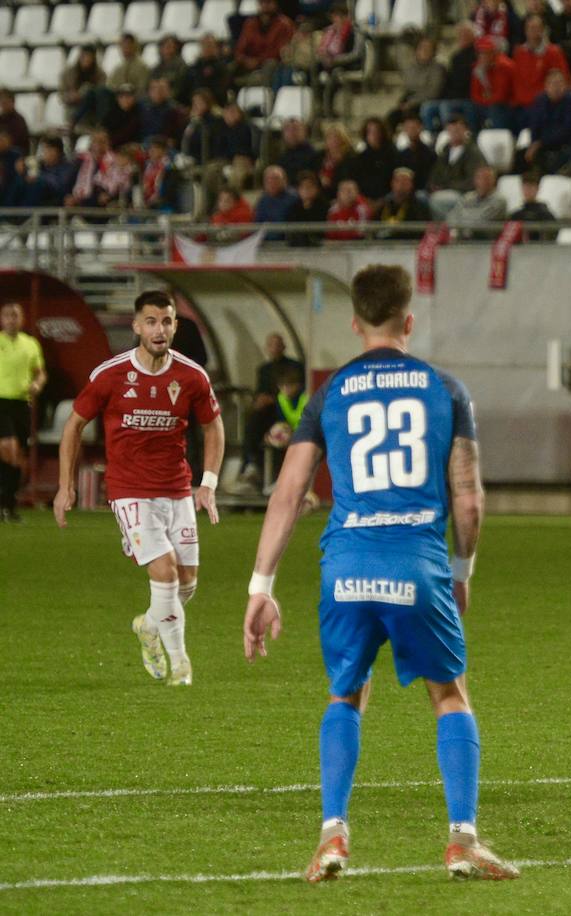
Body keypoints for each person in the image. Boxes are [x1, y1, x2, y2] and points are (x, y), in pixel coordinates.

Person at [241, 264, 520, 882]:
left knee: (346, 692)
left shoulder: (329, 393)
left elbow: (287, 493)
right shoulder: (445, 390)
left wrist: (261, 587)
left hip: (344, 568)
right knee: (449, 693)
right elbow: (469, 498)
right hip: (417, 565)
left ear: (355, 323)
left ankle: (333, 836)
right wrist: (462, 569)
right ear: (409, 319)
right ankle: (462, 841)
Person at [54, 291, 225, 688]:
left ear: (175, 326)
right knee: (164, 572)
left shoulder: (191, 376)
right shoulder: (111, 375)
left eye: (166, 321)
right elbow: (73, 426)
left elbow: (213, 425)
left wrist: (208, 484)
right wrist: (65, 487)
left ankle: (149, 626)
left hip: (177, 488)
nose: (159, 329)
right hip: (129, 490)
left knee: (187, 584)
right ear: (136, 327)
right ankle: (180, 664)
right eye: (151, 321)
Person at [237, 332, 306, 493]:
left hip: (288, 419)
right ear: (267, 348)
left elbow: (298, 390)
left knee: (278, 436)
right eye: (271, 344)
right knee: (253, 422)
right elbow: (259, 391)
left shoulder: (295, 366)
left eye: (277, 344)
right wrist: (258, 400)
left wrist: (273, 399)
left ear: (284, 346)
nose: (274, 348)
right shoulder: (263, 369)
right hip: (270, 415)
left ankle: (279, 479)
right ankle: (251, 467)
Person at [0, 302, 45, 522]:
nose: (11, 319)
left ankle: (8, 504)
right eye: (7, 315)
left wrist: (37, 384)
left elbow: (40, 373)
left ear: (22, 319)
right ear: (1, 319)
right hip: (1, 402)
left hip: (21, 404)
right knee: (8, 447)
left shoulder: (31, 344)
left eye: (15, 315)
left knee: (18, 458)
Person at [429, 117, 489, 219]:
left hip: (465, 193)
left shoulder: (473, 152)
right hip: (445, 191)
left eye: (458, 130)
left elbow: (473, 180)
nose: (454, 133)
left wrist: (447, 187)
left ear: (465, 130)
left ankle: (448, 229)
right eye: (451, 130)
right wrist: (433, 186)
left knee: (437, 200)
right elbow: (436, 173)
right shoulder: (444, 152)